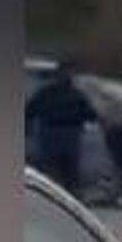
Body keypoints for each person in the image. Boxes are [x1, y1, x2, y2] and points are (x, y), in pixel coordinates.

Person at [25, 60, 98, 197]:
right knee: (55, 169)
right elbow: (30, 110)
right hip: (55, 132)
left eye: (69, 73)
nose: (66, 76)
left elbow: (91, 114)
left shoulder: (74, 94)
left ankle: (67, 195)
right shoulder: (49, 93)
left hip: (65, 132)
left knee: (67, 169)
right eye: (65, 73)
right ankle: (55, 195)